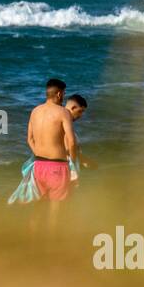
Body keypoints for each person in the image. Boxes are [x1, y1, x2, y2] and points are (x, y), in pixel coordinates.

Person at [25, 80, 88, 231]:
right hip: (57, 167)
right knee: (55, 214)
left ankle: (30, 246)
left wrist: (40, 154)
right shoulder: (63, 112)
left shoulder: (35, 111)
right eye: (64, 93)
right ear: (59, 93)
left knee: (37, 210)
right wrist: (72, 164)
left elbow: (29, 139)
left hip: (38, 165)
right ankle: (50, 250)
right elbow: (71, 142)